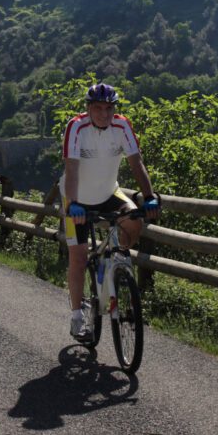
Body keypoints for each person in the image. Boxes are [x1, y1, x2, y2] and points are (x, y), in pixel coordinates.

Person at [60, 82, 160, 341]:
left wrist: (149, 196)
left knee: (134, 220)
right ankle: (77, 316)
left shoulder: (122, 125)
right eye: (98, 108)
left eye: (109, 108)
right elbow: (71, 170)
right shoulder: (76, 127)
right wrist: (73, 204)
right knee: (78, 258)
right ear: (88, 109)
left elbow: (136, 163)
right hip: (77, 198)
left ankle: (109, 260)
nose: (104, 114)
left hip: (108, 194)